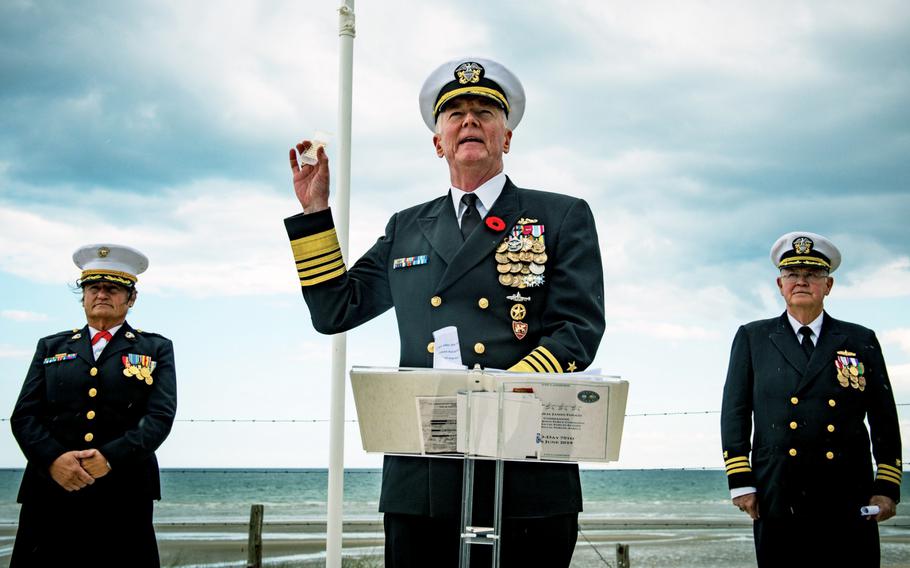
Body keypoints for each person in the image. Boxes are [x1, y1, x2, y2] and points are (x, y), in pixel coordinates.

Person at [284, 57, 605, 567]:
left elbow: (579, 330)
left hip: (525, 463)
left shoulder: (560, 215)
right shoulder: (406, 227)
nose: (470, 120)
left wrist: (495, 400)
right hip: (424, 473)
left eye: (485, 111)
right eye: (455, 114)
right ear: (439, 142)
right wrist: (315, 213)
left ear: (507, 137)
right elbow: (334, 310)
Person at [720, 231, 902, 567]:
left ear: (828, 286)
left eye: (812, 275)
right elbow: (735, 412)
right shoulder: (753, 337)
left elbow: (884, 419)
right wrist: (741, 483)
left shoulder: (860, 340)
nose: (801, 281)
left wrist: (887, 486)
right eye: (792, 274)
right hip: (778, 490)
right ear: (780, 284)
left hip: (847, 491)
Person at [10, 244, 178, 567]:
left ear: (131, 299)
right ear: (84, 295)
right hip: (49, 494)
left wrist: (109, 458)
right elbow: (25, 416)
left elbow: (159, 417)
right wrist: (54, 460)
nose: (101, 294)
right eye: (93, 287)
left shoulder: (155, 349)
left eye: (113, 288)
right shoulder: (51, 346)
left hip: (123, 496)